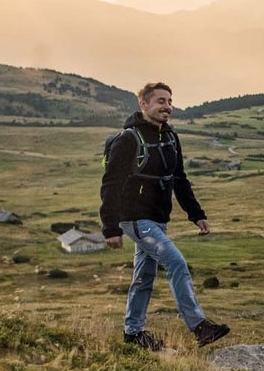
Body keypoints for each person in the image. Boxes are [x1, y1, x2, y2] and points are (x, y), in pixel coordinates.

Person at [99, 81, 230, 350]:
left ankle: (133, 334)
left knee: (143, 276)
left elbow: (179, 179)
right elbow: (110, 184)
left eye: (169, 102)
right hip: (135, 218)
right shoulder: (128, 139)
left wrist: (196, 214)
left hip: (159, 219)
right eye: (161, 101)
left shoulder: (170, 137)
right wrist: (110, 228)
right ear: (144, 104)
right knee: (176, 262)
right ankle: (199, 326)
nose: (167, 107)